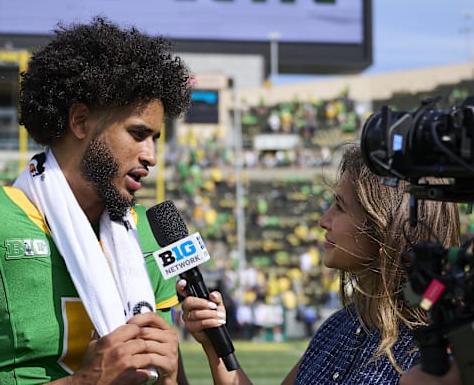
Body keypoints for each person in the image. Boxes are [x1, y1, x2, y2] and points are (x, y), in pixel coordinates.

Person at [0, 16, 192, 384]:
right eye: (138, 133)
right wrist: (85, 382)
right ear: (80, 121)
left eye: (155, 138)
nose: (151, 156)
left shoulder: (143, 236)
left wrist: (172, 376)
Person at [178, 143, 461, 384]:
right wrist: (215, 342)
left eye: (340, 206)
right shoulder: (339, 326)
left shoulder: (441, 355)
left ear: (384, 223)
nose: (323, 220)